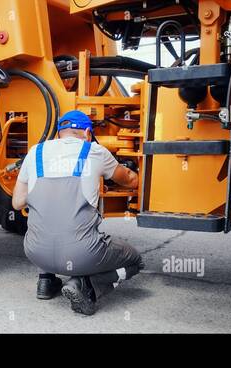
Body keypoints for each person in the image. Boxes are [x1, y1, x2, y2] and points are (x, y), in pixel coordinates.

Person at [12, 110, 143, 315]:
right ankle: (86, 284)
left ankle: (45, 281)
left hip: (35, 252)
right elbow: (129, 179)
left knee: (51, 220)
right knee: (135, 262)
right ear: (88, 134)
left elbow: (17, 202)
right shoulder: (93, 150)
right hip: (82, 254)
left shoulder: (35, 152)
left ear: (59, 135)